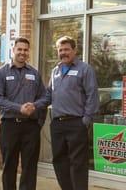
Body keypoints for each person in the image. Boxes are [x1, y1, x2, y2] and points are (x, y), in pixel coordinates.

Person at [27, 36, 99, 190]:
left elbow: (93, 96)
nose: (63, 53)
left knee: (78, 163)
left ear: (74, 50)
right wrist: (34, 105)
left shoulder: (84, 69)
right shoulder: (55, 71)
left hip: (76, 123)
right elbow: (48, 96)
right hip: (58, 124)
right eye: (60, 50)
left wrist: (85, 121)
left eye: (66, 49)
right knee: (59, 161)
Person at [0, 37, 46, 190]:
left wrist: (37, 119)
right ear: (13, 50)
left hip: (31, 127)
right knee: (9, 165)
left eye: (25, 50)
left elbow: (44, 97)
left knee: (30, 167)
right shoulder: (2, 73)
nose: (22, 52)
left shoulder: (35, 74)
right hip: (10, 126)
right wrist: (19, 108)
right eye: (19, 49)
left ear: (28, 52)